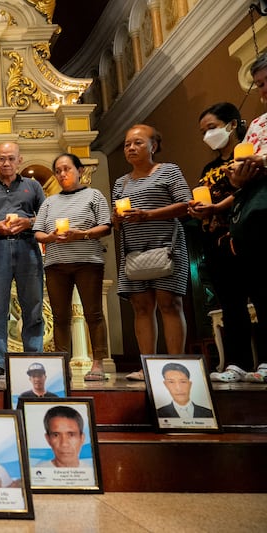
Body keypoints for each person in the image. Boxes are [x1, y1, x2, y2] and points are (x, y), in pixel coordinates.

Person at [112, 125, 192, 381]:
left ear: (153, 146)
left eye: (137, 143)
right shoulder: (120, 182)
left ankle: (176, 365)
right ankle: (147, 366)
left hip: (166, 246)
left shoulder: (168, 171)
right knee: (141, 307)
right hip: (134, 251)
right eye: (127, 144)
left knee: (169, 303)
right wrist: (116, 218)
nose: (131, 148)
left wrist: (148, 214)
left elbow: (186, 204)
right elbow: (117, 220)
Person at [33, 154, 112, 381]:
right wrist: (47, 237)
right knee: (60, 316)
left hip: (88, 262)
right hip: (56, 265)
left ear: (79, 170)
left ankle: (98, 362)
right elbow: (37, 232)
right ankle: (62, 363)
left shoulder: (93, 195)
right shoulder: (49, 202)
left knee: (93, 313)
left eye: (67, 169)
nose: (62, 174)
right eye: (58, 171)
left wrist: (81, 234)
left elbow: (105, 226)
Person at [189, 103, 253, 383]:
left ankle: (263, 362)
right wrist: (197, 209)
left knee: (260, 298)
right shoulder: (210, 167)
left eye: (212, 128)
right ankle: (237, 363)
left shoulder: (249, 159)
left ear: (232, 125)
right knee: (230, 303)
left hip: (245, 236)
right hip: (215, 241)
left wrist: (217, 208)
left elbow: (244, 192)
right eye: (203, 131)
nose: (207, 135)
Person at [0, 142, 46, 380]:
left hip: (27, 247)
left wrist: (28, 222)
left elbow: (47, 216)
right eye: (2, 158)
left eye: (11, 158)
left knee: (33, 306)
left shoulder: (32, 186)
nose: (6, 163)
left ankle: (34, 357)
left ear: (19, 160)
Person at [224, 52, 267, 382]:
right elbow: (243, 172)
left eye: (265, 83)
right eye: (258, 86)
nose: (262, 91)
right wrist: (239, 178)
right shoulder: (257, 125)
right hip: (256, 214)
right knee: (260, 290)